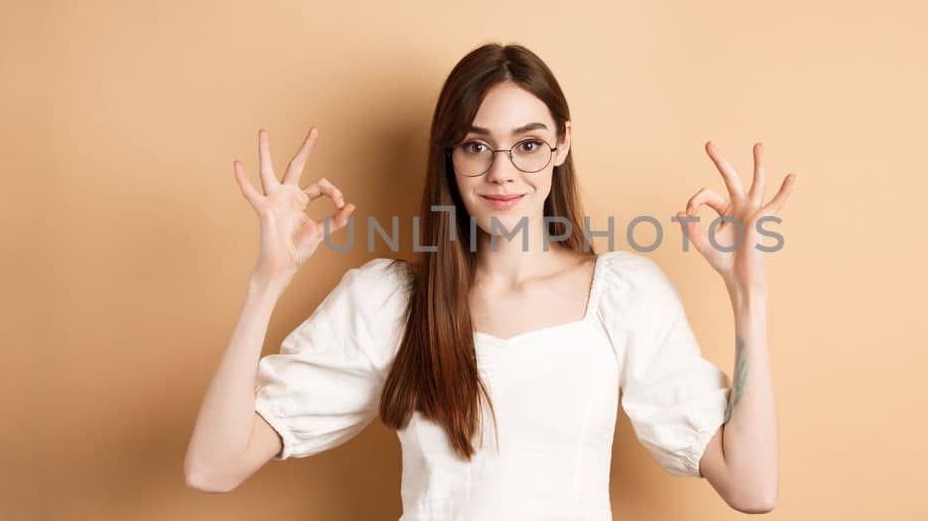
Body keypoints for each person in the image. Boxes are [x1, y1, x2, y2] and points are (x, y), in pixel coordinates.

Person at [184, 43, 794, 519]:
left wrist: (749, 294)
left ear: (561, 146)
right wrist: (267, 282)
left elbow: (750, 485)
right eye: (477, 146)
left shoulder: (624, 295)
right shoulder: (390, 302)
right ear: (449, 156)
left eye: (528, 144)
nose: (503, 172)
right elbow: (213, 468)